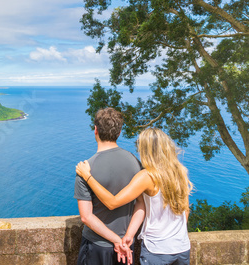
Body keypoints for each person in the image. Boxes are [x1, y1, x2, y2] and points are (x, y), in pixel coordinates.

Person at [76, 127, 193, 264]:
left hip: (157, 250)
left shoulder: (148, 176)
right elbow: (185, 211)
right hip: (182, 247)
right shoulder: (180, 173)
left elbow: (112, 202)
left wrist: (88, 176)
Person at [74, 107, 143, 265]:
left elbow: (86, 217)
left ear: (95, 130)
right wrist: (128, 237)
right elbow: (141, 203)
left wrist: (115, 240)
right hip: (127, 246)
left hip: (96, 246)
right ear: (119, 133)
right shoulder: (135, 163)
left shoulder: (85, 168)